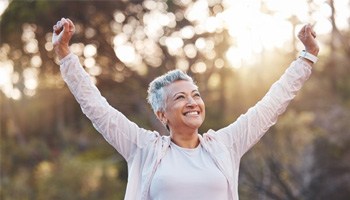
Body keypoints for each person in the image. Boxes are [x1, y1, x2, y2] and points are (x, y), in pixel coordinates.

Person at [52, 18, 319, 200]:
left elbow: (271, 105)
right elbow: (96, 107)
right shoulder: (143, 148)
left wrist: (307, 57)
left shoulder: (225, 145)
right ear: (161, 114)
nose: (192, 102)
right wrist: (65, 55)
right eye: (180, 97)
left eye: (195, 95)